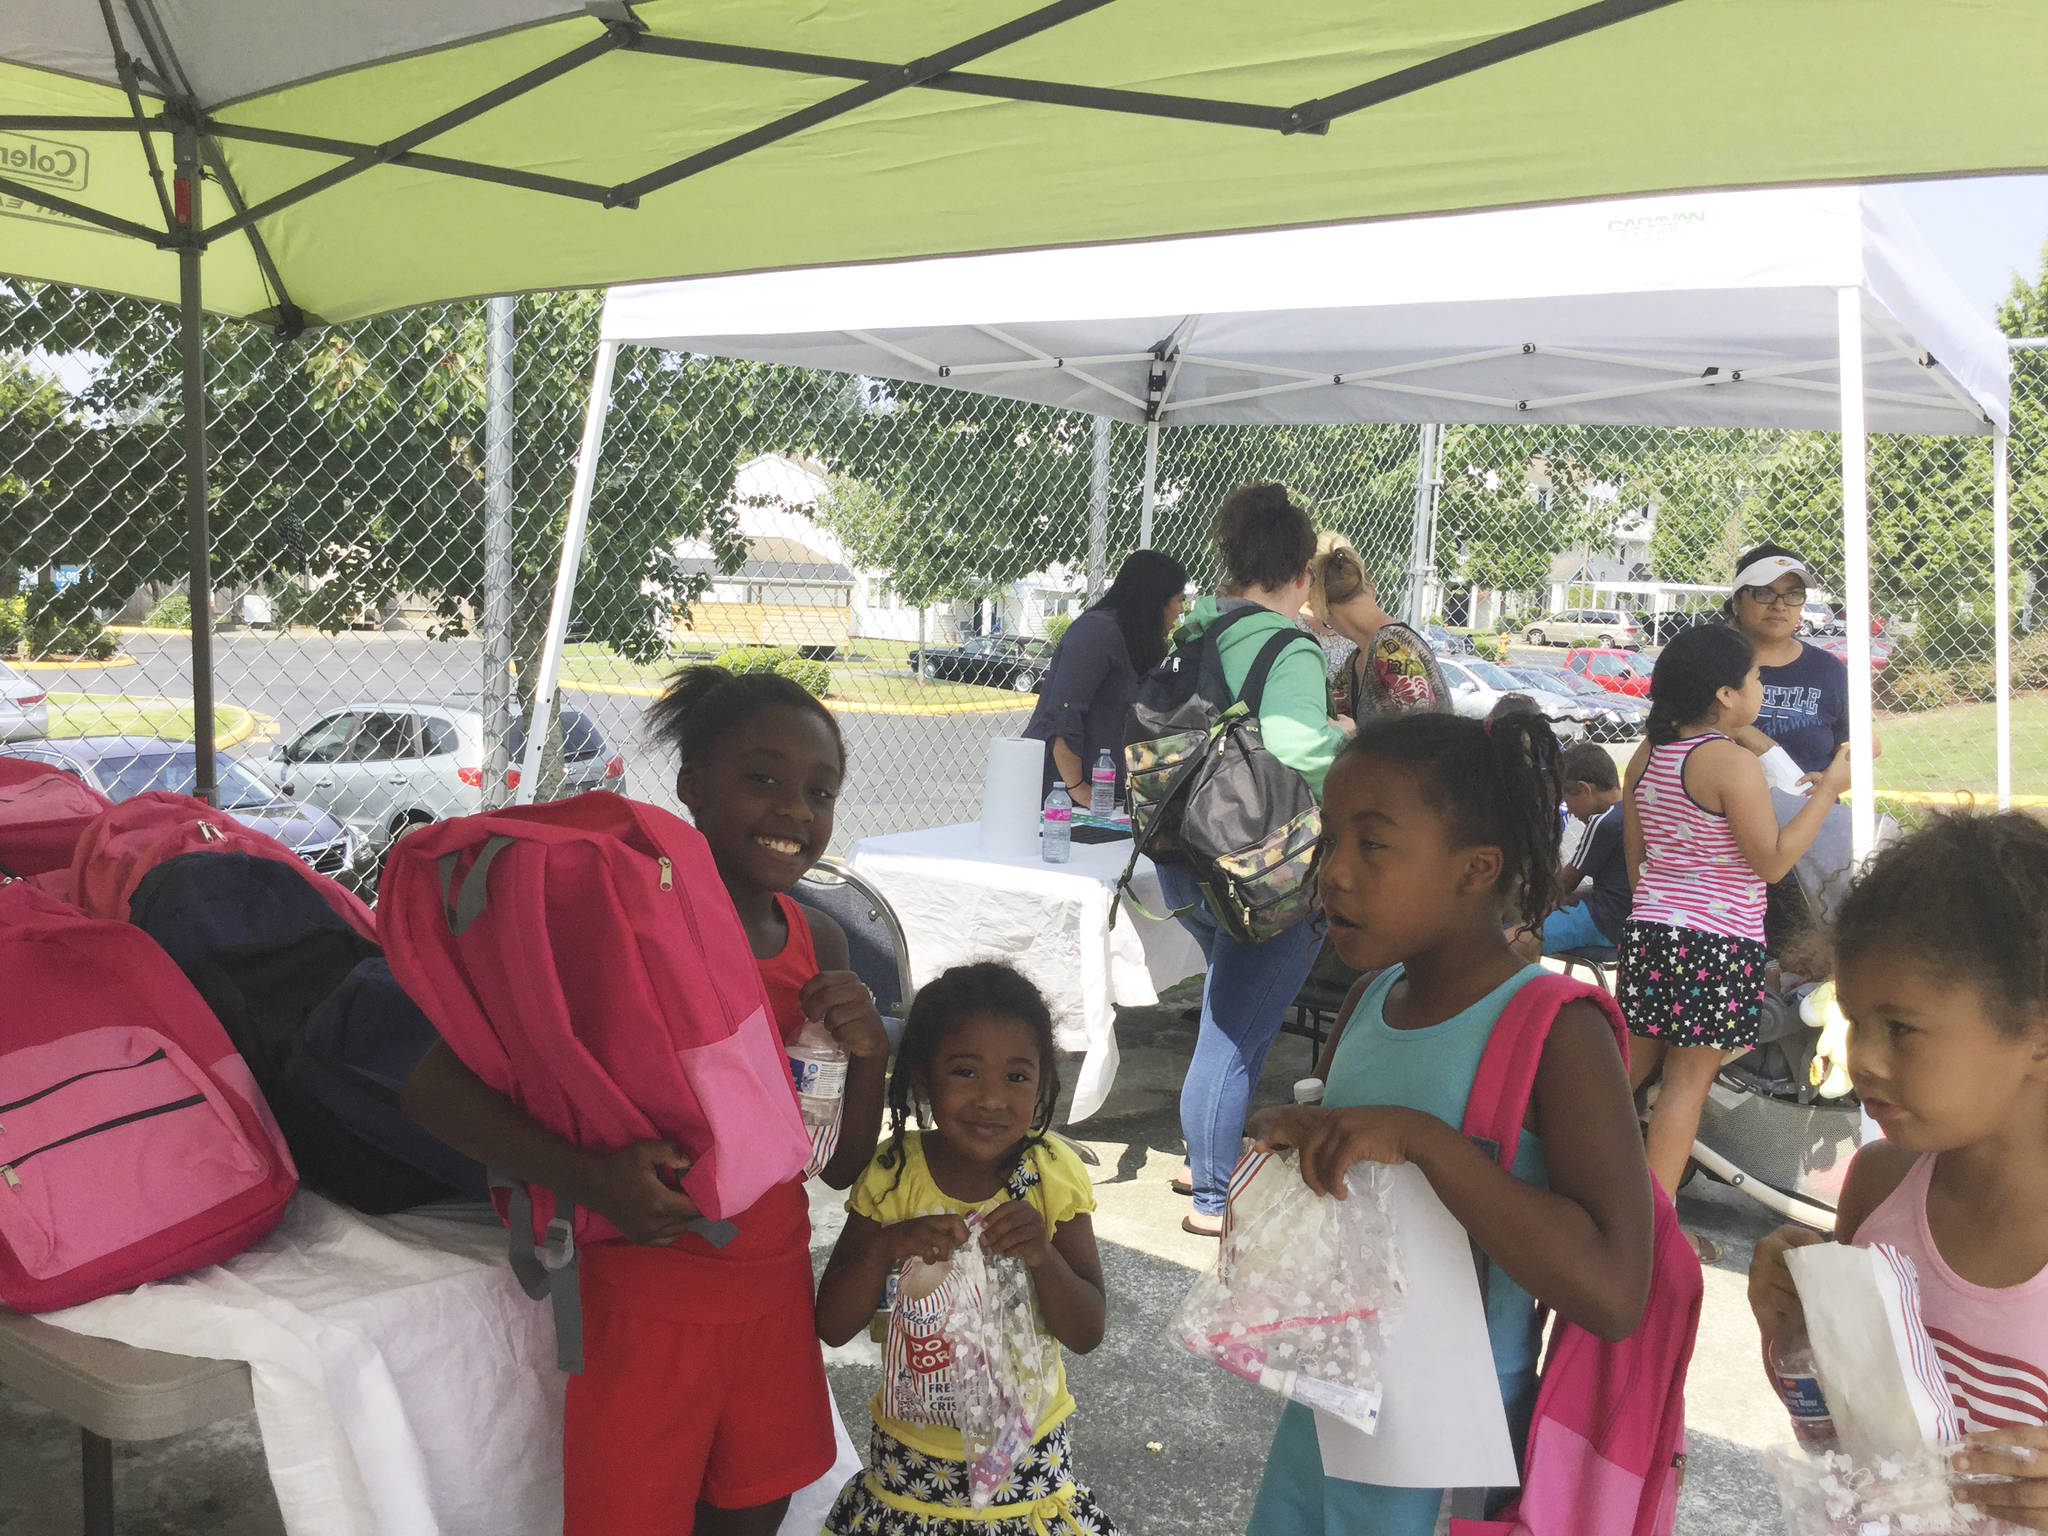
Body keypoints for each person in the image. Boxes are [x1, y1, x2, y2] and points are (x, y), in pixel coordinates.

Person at [400, 665, 890, 1536]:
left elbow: (841, 1165)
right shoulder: (623, 929)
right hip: (648, 1299)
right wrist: (592, 1179)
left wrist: (872, 1057)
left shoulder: (819, 941)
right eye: (763, 780)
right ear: (693, 789)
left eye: (820, 791)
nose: (794, 811)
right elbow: (434, 1091)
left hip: (773, 1288)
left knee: (756, 1507)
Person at [1245, 710, 1654, 1534]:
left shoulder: (1556, 1030)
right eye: (1329, 841)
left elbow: (1615, 1290)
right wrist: (1303, 1138)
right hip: (1328, 1414)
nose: (1335, 874)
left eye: (1373, 844)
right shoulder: (1369, 1000)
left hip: (1442, 1460)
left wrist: (1425, 1143)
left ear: (1477, 870)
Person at [1747, 813, 2048, 1531]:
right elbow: (1850, 1447)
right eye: (1854, 1021)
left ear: (2037, 1036)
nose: (1864, 1062)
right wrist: (1791, 1333)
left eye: (1902, 1028)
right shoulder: (1879, 1187)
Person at [814, 961, 1117, 1536]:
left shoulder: (1051, 1174)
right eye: (965, 1071)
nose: (992, 1100)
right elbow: (830, 1324)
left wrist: (1042, 1255)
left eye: (1017, 1077)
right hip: (908, 1470)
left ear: (1044, 1084)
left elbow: (1086, 1332)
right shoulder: (893, 1174)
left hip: (1028, 1462)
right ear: (924, 1079)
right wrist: (885, 1247)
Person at [1621, 626, 1850, 1247]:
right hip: (1716, 942)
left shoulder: (1647, 755)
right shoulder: (1730, 763)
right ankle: (1652, 1230)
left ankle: (1583, 1185)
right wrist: (1828, 788)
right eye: (1754, 680)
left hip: (1652, 931)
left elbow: (1637, 856)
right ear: (1725, 695)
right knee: (1684, 1085)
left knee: (1623, 1071)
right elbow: (1773, 862)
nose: (1761, 687)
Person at [1162, 484, 1350, 1236]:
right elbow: (1298, 743)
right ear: (1301, 572)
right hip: (1261, 869)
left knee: (1225, 1012)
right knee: (1234, 1034)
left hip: (1184, 854)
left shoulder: (1197, 630)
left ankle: (1200, 1155)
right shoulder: (1290, 644)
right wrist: (1345, 737)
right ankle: (1214, 1193)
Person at [1023, 549, 1189, 801]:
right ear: (1155, 600)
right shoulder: (1097, 631)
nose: (1180, 610)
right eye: (1178, 599)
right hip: (1060, 793)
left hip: (1107, 793)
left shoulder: (1137, 641)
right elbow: (1064, 714)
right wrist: (1077, 787)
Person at [1721, 542, 1862, 781]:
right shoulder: (1707, 661)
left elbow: (1860, 747)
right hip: (1717, 811)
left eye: (1793, 594)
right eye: (1764, 592)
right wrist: (1740, 732)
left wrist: (1828, 782)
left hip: (1808, 808)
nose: (1779, 605)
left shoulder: (1828, 670)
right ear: (1737, 600)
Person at [1306, 530, 1449, 724]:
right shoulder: (1356, 660)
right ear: (1370, 589)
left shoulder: (1392, 649)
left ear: (1324, 609)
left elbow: (1423, 737)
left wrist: (1354, 736)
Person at [1513, 741, 1629, 962]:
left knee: (1514, 939)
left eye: (1567, 800)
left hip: (1602, 921)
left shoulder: (1602, 821)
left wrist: (1527, 892)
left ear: (1585, 789)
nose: (1570, 812)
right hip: (1625, 919)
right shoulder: (1630, 813)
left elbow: (1566, 882)